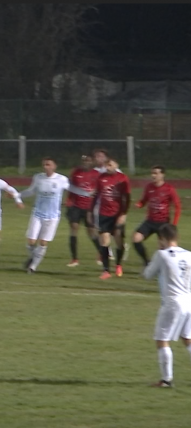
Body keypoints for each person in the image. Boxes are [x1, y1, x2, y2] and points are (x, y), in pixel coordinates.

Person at [19, 157, 91, 273]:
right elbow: (31, 191)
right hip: (37, 213)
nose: (45, 167)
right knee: (31, 241)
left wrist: (87, 193)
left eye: (48, 164)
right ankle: (33, 257)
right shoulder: (38, 177)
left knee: (43, 242)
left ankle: (33, 267)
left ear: (54, 166)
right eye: (44, 165)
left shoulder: (61, 179)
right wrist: (18, 195)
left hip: (52, 216)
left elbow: (72, 189)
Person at [141, 224, 191, 388]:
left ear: (162, 239)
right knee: (188, 339)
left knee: (162, 340)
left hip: (172, 302)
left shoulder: (162, 255)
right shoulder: (189, 255)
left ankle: (166, 380)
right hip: (189, 301)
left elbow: (147, 275)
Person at [89, 158, 131, 279]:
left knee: (119, 241)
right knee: (104, 241)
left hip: (117, 215)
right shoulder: (101, 178)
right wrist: (90, 211)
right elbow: (96, 195)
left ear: (116, 165)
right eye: (106, 166)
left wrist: (124, 214)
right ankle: (106, 270)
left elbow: (127, 198)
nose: (108, 168)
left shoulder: (122, 178)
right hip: (104, 214)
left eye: (110, 165)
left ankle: (118, 264)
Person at [133, 165, 182, 268]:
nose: (153, 175)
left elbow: (177, 206)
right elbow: (144, 200)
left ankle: (166, 268)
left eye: (156, 173)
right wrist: (139, 204)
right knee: (136, 238)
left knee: (162, 248)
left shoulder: (169, 189)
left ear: (162, 175)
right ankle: (147, 262)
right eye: (152, 173)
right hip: (150, 221)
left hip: (163, 223)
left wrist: (174, 224)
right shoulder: (149, 187)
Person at [64, 155, 101, 267]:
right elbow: (71, 189)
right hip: (76, 206)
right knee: (74, 228)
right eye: (84, 161)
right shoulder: (75, 173)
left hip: (89, 208)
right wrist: (68, 201)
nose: (85, 163)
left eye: (88, 160)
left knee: (91, 232)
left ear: (92, 162)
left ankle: (101, 254)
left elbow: (101, 189)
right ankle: (74, 259)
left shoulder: (96, 174)